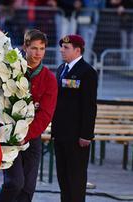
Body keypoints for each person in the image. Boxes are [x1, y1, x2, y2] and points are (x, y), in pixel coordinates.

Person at [0, 29, 58, 202]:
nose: (38, 53)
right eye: (34, 48)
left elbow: (46, 114)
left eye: (42, 49)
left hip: (32, 137)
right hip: (9, 135)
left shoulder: (49, 78)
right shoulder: (11, 71)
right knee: (15, 182)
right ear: (25, 47)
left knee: (28, 189)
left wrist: (26, 135)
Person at [51, 34, 97, 202]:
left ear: (77, 50)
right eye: (62, 47)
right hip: (61, 133)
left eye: (66, 47)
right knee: (63, 177)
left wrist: (86, 134)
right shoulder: (61, 69)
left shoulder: (87, 72)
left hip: (77, 135)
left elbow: (89, 105)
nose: (62, 50)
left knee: (76, 178)